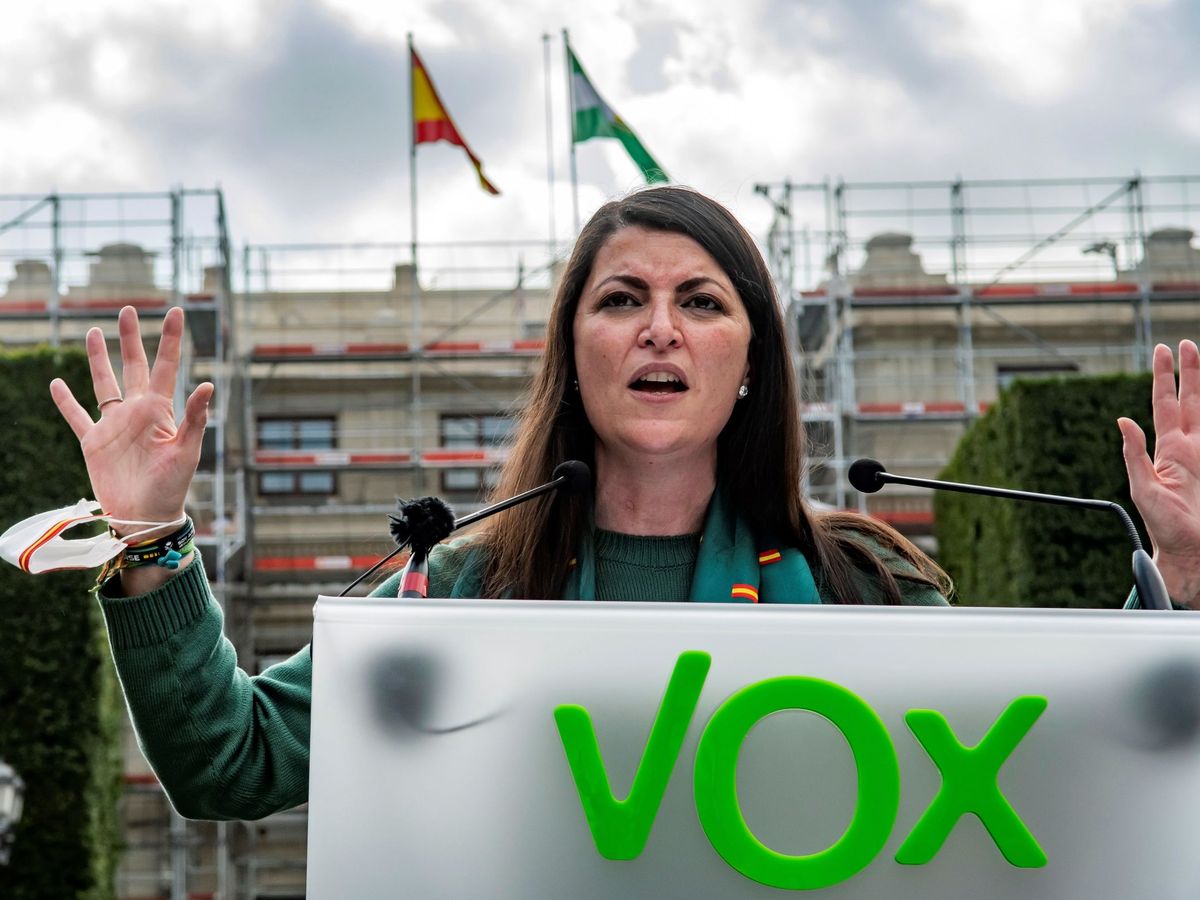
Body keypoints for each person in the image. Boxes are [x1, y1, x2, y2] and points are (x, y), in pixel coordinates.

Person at [49, 187, 1199, 821]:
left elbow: (1045, 786)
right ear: (575, 352)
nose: (659, 329)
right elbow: (231, 759)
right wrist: (148, 538)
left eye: (701, 301)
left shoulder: (863, 585)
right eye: (620, 301)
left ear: (749, 361)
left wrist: (1185, 590)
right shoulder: (464, 584)